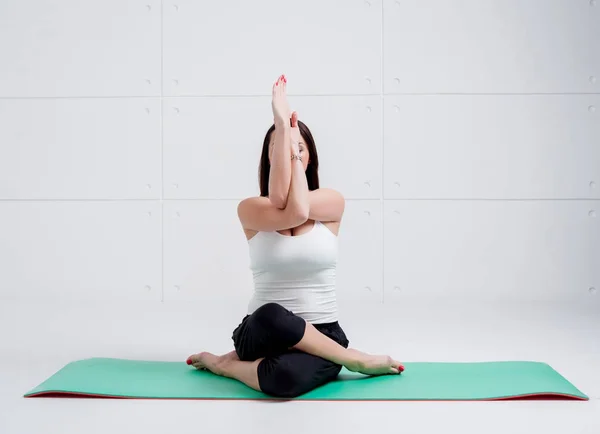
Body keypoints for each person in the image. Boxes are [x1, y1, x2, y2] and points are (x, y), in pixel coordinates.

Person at [186, 74, 403, 398]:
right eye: (281, 151)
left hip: (325, 333)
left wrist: (285, 136)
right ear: (269, 160)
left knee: (283, 380)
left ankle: (225, 365)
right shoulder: (251, 209)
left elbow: (299, 208)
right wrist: (282, 124)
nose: (291, 155)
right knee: (272, 313)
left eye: (298, 149)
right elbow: (287, 208)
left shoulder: (332, 202)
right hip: (261, 332)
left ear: (310, 157)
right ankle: (353, 359)